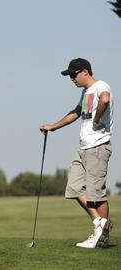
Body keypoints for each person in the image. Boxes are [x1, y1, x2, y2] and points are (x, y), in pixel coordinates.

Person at [39, 58, 113, 249]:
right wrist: (52, 127)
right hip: (84, 147)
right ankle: (99, 224)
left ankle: (101, 237)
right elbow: (75, 113)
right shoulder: (85, 92)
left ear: (85, 72)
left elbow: (104, 99)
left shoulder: (100, 86)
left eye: (73, 74)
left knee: (96, 195)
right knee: (74, 188)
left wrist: (97, 118)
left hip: (98, 147)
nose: (72, 78)